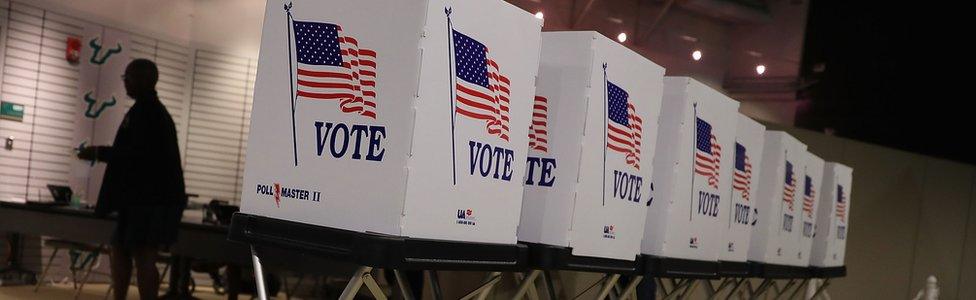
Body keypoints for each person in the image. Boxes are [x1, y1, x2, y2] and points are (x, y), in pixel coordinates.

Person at [78, 59, 187, 300]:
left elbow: (137, 155)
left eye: (128, 77)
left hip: (150, 200)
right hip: (141, 199)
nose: (125, 82)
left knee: (144, 256)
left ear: (144, 79)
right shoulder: (147, 110)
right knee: (121, 250)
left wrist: (99, 153)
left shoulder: (149, 113)